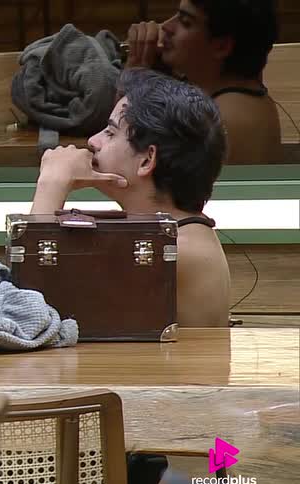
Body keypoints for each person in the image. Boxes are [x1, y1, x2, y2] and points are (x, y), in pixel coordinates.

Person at [30, 68, 231, 328]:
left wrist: (51, 183)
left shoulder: (174, 251)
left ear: (147, 159)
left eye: (110, 133)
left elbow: (29, 314)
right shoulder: (170, 234)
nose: (93, 141)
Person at [125, 0, 281, 164]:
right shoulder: (245, 97)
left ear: (221, 46)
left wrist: (135, 76)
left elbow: (124, 166)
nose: (166, 26)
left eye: (186, 22)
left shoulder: (213, 122)